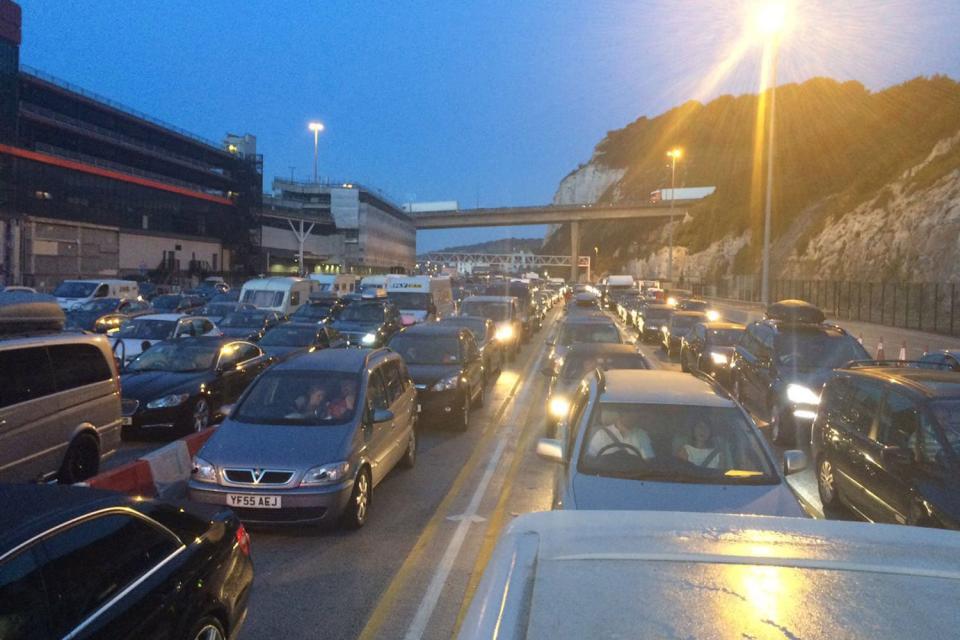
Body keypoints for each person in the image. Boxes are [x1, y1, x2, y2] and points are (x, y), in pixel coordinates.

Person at [586, 409, 655, 459]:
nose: (635, 416)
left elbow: (647, 461)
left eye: (636, 413)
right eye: (630, 412)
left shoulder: (641, 434)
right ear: (621, 414)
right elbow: (591, 460)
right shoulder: (601, 434)